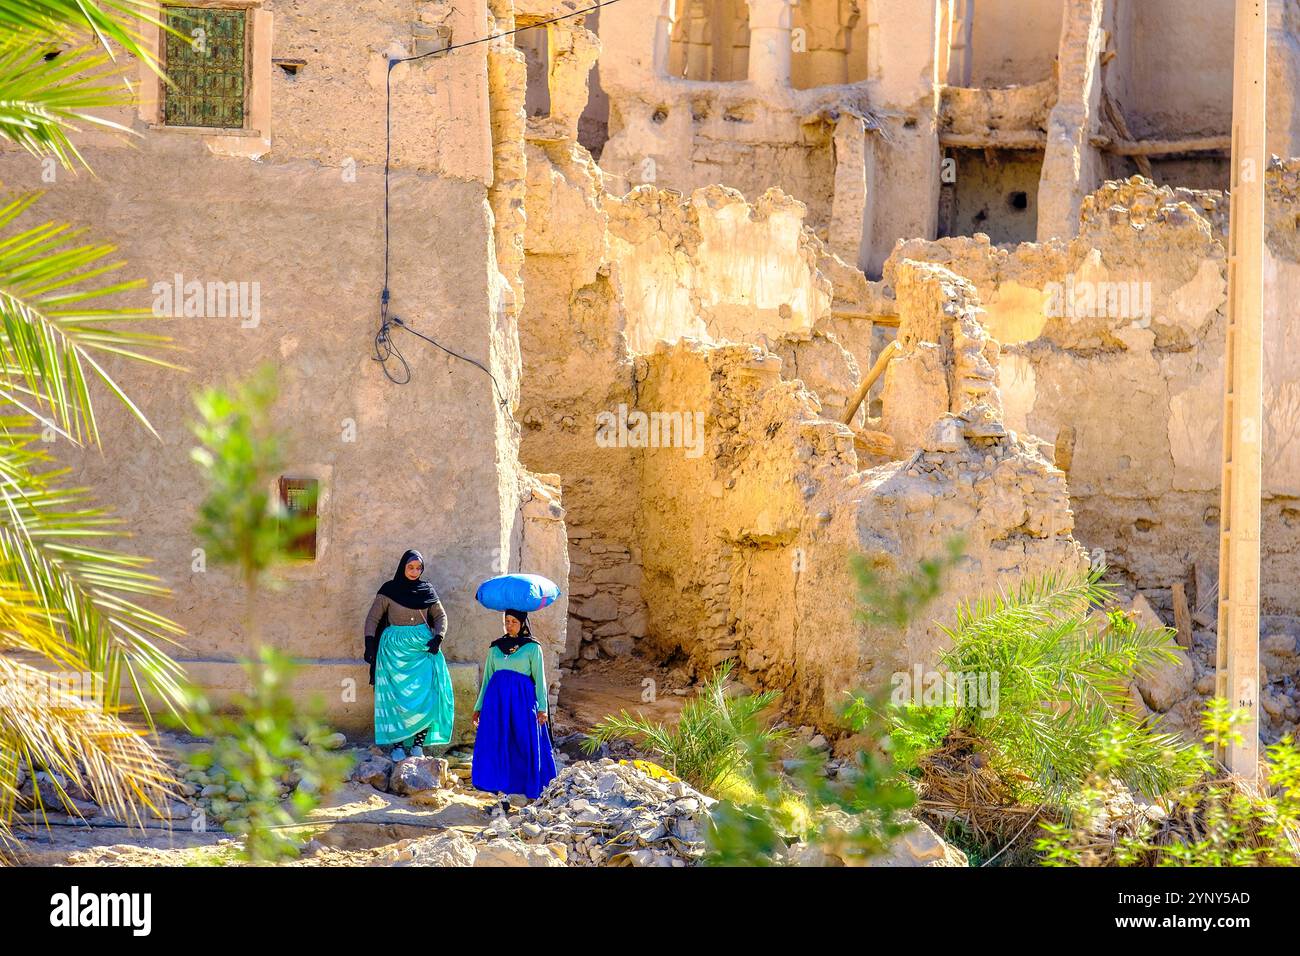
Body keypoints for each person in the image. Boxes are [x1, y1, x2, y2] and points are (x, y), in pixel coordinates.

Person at [364, 549, 454, 761]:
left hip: (423, 650)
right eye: (410, 567)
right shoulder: (389, 590)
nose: (415, 571)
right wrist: (369, 645)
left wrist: (438, 637)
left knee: (426, 696)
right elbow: (373, 618)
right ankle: (397, 746)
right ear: (403, 566)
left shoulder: (427, 590)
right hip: (393, 652)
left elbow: (440, 616)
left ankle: (417, 745)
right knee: (397, 699)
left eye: (418, 568)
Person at [471, 609, 557, 803]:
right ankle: (502, 791)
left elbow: (540, 679)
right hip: (497, 702)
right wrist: (479, 707)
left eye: (514, 622)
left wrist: (542, 707)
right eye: (506, 621)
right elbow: (486, 680)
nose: (509, 625)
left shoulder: (533, 648)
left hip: (522, 701)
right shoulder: (495, 648)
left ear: (523, 624)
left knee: (523, 742)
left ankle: (530, 791)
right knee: (499, 742)